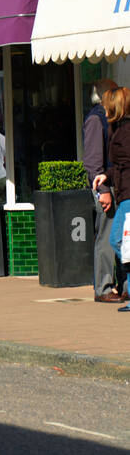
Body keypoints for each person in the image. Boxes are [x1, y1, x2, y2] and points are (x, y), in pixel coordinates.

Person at [83, 78, 125, 303]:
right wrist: (103, 189)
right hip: (105, 187)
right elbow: (93, 161)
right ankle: (103, 287)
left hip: (116, 186)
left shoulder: (110, 118)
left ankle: (121, 283)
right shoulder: (95, 119)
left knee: (119, 236)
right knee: (108, 236)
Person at [104, 86, 130, 312]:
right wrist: (108, 175)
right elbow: (121, 166)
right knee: (126, 245)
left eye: (106, 105)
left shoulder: (126, 131)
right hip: (124, 193)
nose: (103, 109)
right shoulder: (118, 129)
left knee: (118, 241)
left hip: (129, 195)